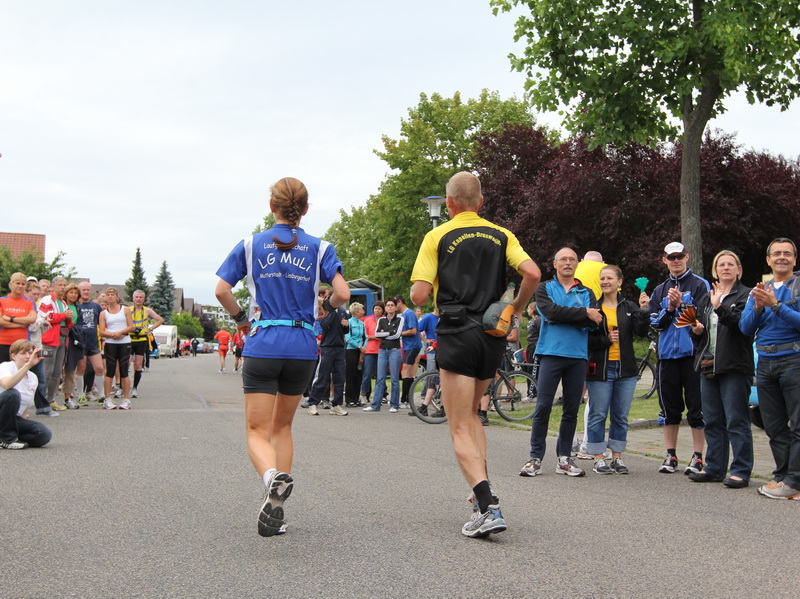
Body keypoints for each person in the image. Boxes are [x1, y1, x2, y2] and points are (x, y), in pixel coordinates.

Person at [215, 176, 350, 536]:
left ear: (271, 206)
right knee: (283, 427)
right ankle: (278, 506)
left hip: (264, 342)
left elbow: (222, 290)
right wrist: (325, 307)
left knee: (257, 430)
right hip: (302, 345)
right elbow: (343, 293)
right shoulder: (320, 248)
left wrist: (241, 319)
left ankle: (271, 477)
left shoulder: (251, 244)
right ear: (305, 209)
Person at [411, 171, 541, 538]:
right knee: (472, 417)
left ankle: (488, 506)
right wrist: (516, 308)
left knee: (457, 425)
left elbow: (419, 295)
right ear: (480, 202)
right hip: (490, 334)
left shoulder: (437, 235)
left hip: (456, 332)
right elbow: (532, 273)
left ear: (449, 203)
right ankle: (480, 491)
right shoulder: (502, 234)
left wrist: (432, 281)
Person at [520, 247, 601, 478]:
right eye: (563, 259)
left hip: (577, 356)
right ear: (555, 264)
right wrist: (583, 313)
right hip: (551, 354)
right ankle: (535, 458)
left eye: (572, 259)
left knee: (571, 409)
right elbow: (550, 313)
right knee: (543, 407)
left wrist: (572, 315)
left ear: (577, 264)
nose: (567, 262)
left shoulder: (586, 291)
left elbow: (594, 323)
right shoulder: (544, 288)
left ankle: (564, 458)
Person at [739, 238, 800, 500]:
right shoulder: (759, 291)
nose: (781, 257)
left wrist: (776, 305)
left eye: (787, 253)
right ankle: (783, 476)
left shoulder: (797, 287)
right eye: (776, 254)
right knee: (774, 427)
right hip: (765, 364)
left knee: (797, 425)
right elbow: (745, 328)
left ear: (794, 259)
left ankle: (795, 481)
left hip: (794, 361)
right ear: (768, 260)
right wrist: (757, 307)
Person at [688, 250, 754, 487]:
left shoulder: (747, 295)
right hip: (709, 364)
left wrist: (720, 307)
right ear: (715, 270)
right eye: (721, 264)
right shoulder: (707, 298)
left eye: (730, 264)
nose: (726, 268)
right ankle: (715, 467)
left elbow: (742, 326)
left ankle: (741, 470)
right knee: (712, 420)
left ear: (738, 269)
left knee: (736, 420)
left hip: (734, 365)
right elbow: (701, 333)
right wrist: (696, 331)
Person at [647, 242, 709, 474]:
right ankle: (670, 454)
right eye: (671, 257)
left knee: (696, 408)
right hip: (666, 356)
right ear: (664, 260)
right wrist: (670, 308)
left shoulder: (700, 285)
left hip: (692, 355)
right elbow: (655, 323)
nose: (675, 261)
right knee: (669, 408)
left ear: (687, 257)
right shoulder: (659, 290)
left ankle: (698, 456)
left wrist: (682, 304)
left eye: (679, 257)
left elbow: (703, 318)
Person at [585, 265, 651, 474]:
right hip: (600, 369)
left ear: (619, 282)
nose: (605, 282)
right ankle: (598, 457)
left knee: (620, 416)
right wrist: (606, 340)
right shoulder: (593, 308)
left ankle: (617, 457)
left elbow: (641, 332)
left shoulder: (629, 307)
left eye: (609, 278)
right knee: (598, 414)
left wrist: (644, 310)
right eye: (602, 278)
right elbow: (586, 340)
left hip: (626, 370)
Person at [0, 340, 52, 449]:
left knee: (43, 434)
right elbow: (7, 384)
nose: (28, 356)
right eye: (23, 353)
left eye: (30, 353)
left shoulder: (33, 377)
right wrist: (28, 366)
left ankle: (10, 436)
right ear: (13, 356)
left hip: (12, 420)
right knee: (12, 394)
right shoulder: (5, 367)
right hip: (2, 414)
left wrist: (25, 424)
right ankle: (7, 439)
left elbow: (25, 408)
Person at [307, 291, 349, 416]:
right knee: (322, 376)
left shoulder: (343, 312)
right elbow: (324, 326)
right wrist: (332, 311)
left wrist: (346, 326)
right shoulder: (325, 310)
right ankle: (313, 403)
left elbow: (345, 331)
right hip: (327, 347)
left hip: (340, 347)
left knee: (339, 377)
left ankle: (336, 405)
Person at [38, 277, 74, 412]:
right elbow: (46, 317)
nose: (62, 287)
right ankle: (41, 400)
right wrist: (64, 316)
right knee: (47, 371)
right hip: (49, 339)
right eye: (60, 285)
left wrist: (68, 317)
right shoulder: (47, 300)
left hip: (62, 338)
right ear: (53, 287)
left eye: (64, 285)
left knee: (57, 372)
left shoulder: (63, 302)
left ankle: (50, 399)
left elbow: (66, 320)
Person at [363, 298, 403, 413]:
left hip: (394, 350)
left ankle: (394, 404)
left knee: (394, 379)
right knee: (380, 378)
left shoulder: (400, 319)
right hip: (382, 350)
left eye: (392, 305)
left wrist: (384, 333)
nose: (390, 307)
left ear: (395, 307)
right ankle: (375, 404)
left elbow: (397, 335)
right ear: (385, 308)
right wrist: (389, 332)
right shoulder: (381, 320)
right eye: (388, 305)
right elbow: (376, 334)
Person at [99, 287, 134, 410]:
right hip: (111, 343)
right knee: (110, 371)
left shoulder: (125, 309)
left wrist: (121, 333)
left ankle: (126, 399)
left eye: (112, 294)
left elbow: (131, 326)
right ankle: (107, 399)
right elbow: (101, 332)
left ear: (117, 297)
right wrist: (113, 335)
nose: (110, 297)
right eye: (108, 295)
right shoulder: (104, 313)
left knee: (124, 370)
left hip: (124, 342)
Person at [74, 281, 106, 404]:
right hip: (80, 342)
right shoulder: (76, 305)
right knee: (81, 368)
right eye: (83, 290)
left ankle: (101, 395)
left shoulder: (95, 306)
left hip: (93, 342)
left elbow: (101, 323)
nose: (86, 292)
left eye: (88, 290)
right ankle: (81, 394)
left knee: (99, 368)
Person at [129, 290, 164, 396]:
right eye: (136, 297)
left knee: (138, 364)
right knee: (126, 364)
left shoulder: (147, 310)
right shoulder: (128, 310)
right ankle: (122, 387)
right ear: (133, 299)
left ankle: (135, 388)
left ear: (144, 299)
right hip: (129, 339)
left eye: (140, 297)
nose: (138, 299)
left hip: (141, 340)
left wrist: (150, 329)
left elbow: (160, 320)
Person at [0, 273, 38, 363]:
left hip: (22, 344)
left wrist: (11, 319)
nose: (20, 286)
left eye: (23, 284)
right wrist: (22, 324)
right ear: (11, 284)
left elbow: (32, 319)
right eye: (17, 283)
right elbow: (1, 321)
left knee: (21, 370)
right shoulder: (2, 300)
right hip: (3, 342)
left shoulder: (30, 302)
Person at [395, 295, 421, 408]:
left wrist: (398, 333)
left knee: (405, 371)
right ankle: (409, 399)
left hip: (412, 345)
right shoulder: (405, 314)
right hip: (409, 346)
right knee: (409, 373)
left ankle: (404, 399)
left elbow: (413, 331)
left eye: (395, 304)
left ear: (400, 302)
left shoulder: (409, 313)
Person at [358, 301, 384, 406]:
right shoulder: (368, 320)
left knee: (380, 375)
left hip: (381, 350)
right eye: (375, 308)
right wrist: (374, 336)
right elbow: (364, 335)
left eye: (379, 308)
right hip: (369, 350)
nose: (377, 310)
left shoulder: (384, 320)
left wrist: (379, 336)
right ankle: (363, 394)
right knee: (367, 373)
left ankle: (379, 396)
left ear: (382, 310)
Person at [61, 284, 83, 408]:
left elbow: (80, 324)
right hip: (60, 338)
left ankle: (67, 398)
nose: (73, 295)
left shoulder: (78, 308)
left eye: (75, 293)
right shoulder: (61, 305)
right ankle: (50, 397)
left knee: (70, 370)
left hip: (73, 339)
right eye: (71, 292)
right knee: (55, 370)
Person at [344, 302, 367, 407]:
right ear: (356, 311)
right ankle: (349, 399)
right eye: (362, 310)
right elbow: (348, 338)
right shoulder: (349, 322)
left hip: (361, 351)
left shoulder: (362, 323)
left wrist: (364, 348)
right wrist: (359, 346)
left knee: (359, 373)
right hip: (351, 350)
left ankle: (356, 398)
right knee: (350, 374)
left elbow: (365, 337)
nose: (363, 312)